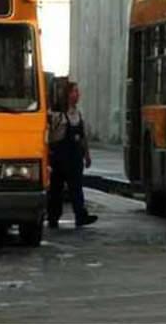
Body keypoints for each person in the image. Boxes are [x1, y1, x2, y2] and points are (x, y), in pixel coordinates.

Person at [47, 81, 98, 228]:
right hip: (60, 158)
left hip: (75, 158)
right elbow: (50, 135)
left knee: (76, 188)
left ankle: (80, 215)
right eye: (74, 91)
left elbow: (82, 136)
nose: (77, 94)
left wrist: (87, 155)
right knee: (56, 189)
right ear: (67, 94)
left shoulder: (77, 113)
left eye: (77, 91)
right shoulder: (57, 114)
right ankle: (53, 217)